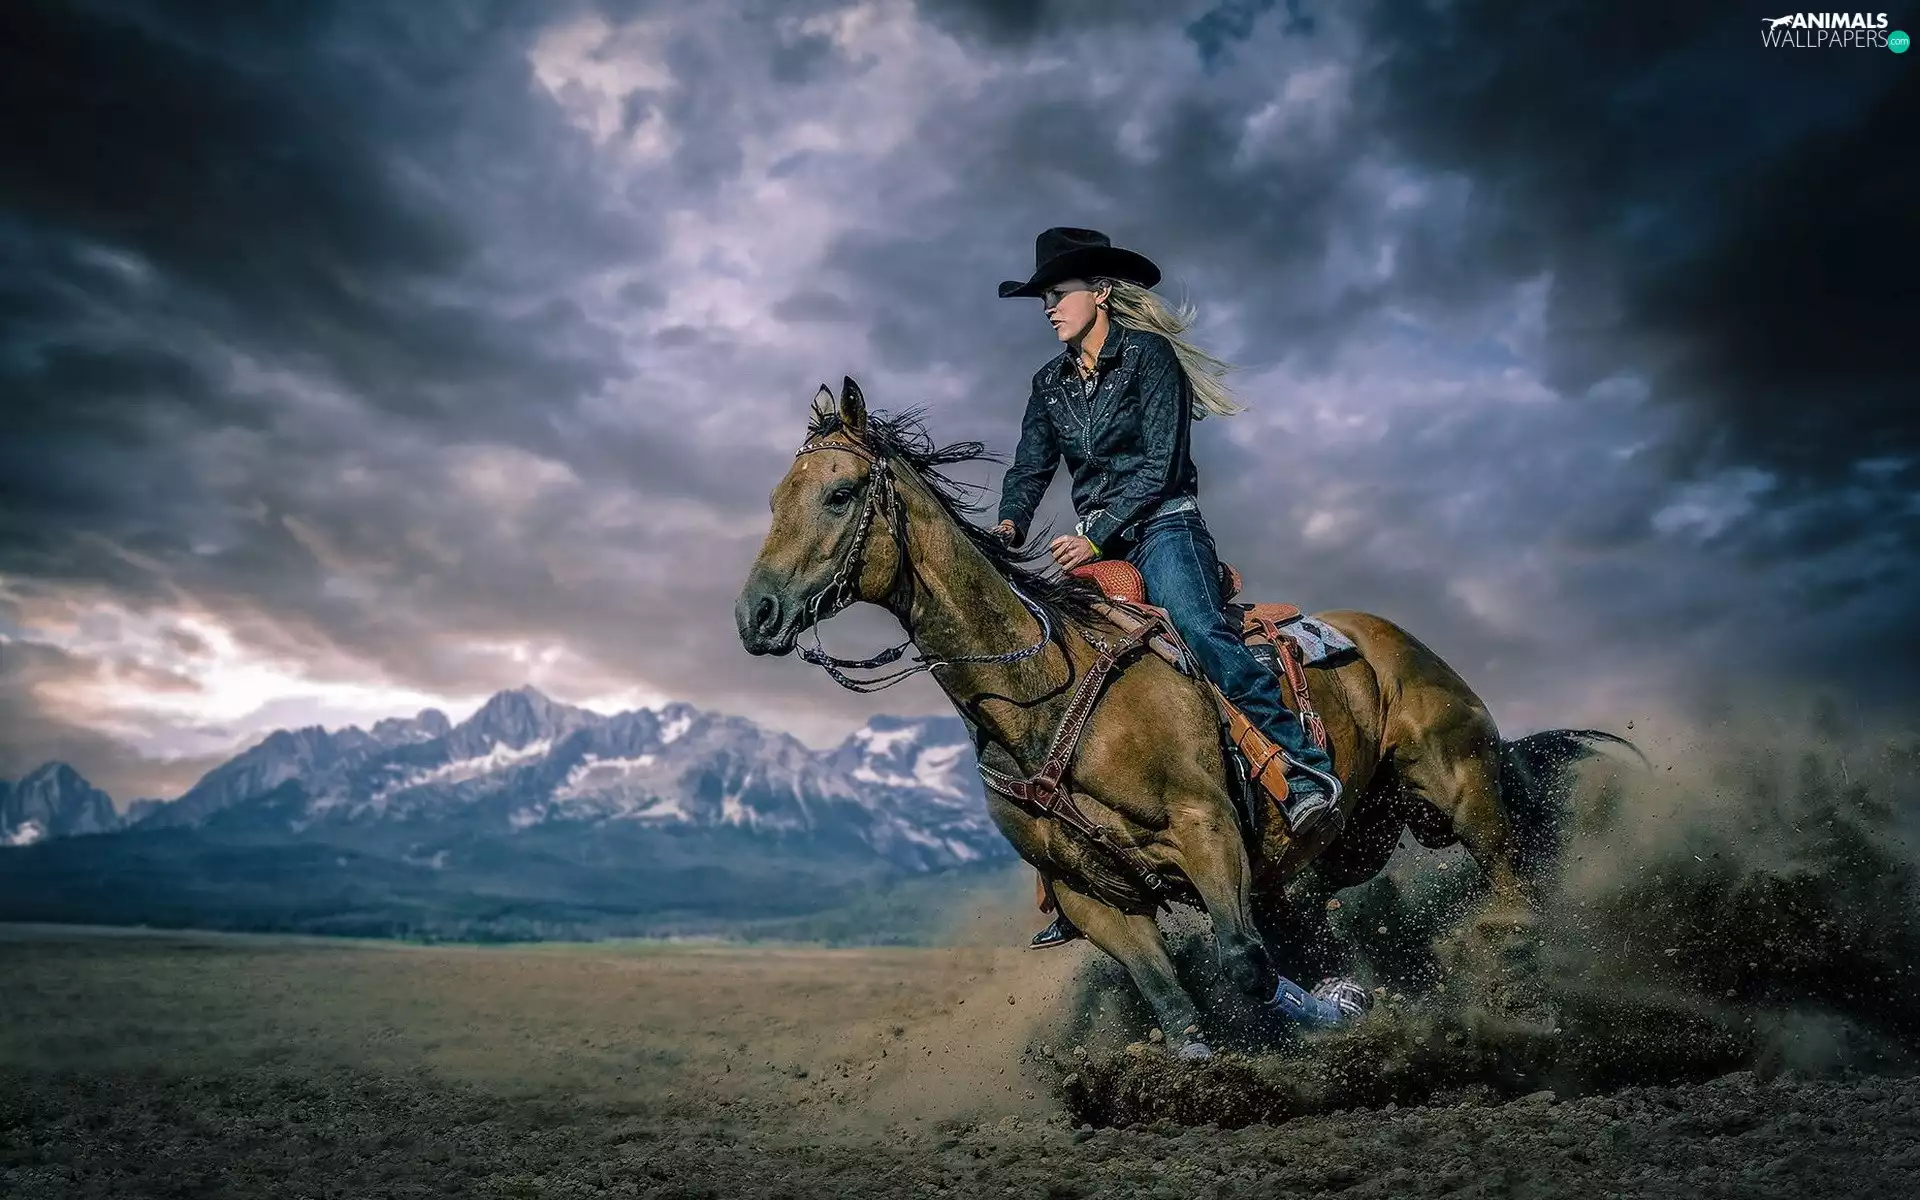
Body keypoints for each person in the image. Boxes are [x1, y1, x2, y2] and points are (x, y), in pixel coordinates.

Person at [990, 227, 1344, 951]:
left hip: (1165, 525)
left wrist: (1094, 534)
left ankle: (1304, 774)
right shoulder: (1048, 384)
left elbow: (1160, 467)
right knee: (1058, 668)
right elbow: (1030, 467)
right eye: (1045, 299)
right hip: (1098, 547)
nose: (1048, 309)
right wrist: (1007, 523)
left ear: (1102, 294)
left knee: (1199, 625)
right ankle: (1076, 867)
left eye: (1058, 295)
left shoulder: (1148, 358)